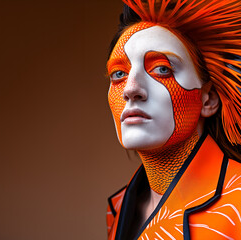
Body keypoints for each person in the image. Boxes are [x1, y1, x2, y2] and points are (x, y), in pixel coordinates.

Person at [105, 0, 241, 239]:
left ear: (208, 98)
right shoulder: (117, 208)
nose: (131, 89)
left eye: (162, 69)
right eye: (119, 74)